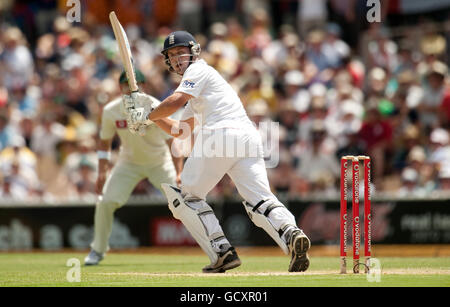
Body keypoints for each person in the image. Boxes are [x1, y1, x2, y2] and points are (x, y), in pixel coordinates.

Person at [126, 31, 310, 273]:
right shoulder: (198, 92)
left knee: (186, 199)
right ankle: (290, 233)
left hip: (221, 134)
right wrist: (150, 115)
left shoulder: (198, 70)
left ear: (194, 51)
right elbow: (180, 130)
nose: (177, 58)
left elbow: (176, 100)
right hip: (246, 138)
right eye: (171, 55)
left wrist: (147, 117)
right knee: (259, 200)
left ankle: (222, 252)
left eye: (180, 52)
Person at [84, 70, 184, 265]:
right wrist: (102, 172)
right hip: (128, 163)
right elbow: (104, 142)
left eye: (135, 85)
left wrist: (179, 172)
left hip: (159, 162)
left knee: (182, 201)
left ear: (144, 85)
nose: (130, 89)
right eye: (125, 85)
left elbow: (173, 143)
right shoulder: (111, 111)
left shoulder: (155, 106)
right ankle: (98, 249)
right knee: (105, 201)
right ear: (119, 87)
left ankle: (211, 246)